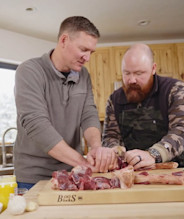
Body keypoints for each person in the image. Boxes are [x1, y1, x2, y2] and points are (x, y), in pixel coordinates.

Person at [14, 16, 116, 190]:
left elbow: (88, 113)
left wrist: (96, 147)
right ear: (64, 40)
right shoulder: (30, 71)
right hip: (33, 176)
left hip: (72, 172)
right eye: (83, 49)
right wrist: (83, 162)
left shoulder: (83, 75)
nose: (87, 57)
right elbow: (36, 124)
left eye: (91, 52)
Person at [102, 43, 184, 169]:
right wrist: (115, 151)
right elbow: (110, 137)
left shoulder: (175, 90)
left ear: (153, 68)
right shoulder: (115, 100)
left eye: (139, 73)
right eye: (126, 73)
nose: (132, 80)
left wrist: (153, 154)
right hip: (134, 172)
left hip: (176, 170)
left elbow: (183, 131)